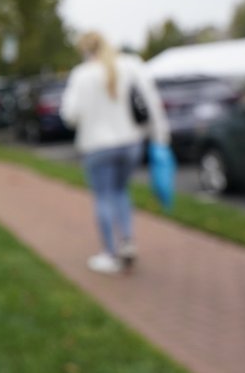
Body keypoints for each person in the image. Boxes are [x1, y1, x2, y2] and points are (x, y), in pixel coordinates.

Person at [60, 32, 169, 274]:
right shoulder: (130, 66)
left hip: (97, 146)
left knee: (104, 197)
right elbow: (151, 102)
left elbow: (69, 115)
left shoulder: (81, 75)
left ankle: (109, 253)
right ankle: (127, 241)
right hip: (131, 142)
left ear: (85, 50)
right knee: (120, 192)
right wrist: (160, 137)